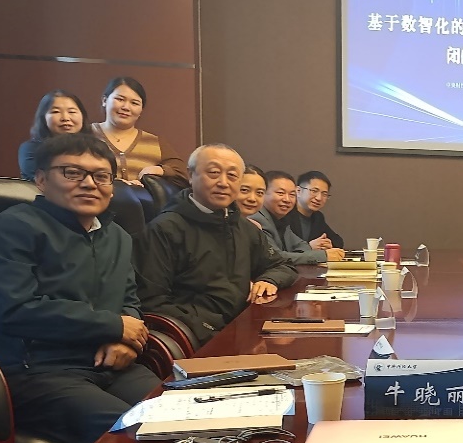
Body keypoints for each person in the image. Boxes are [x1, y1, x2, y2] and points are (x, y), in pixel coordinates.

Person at [0, 133, 159, 443]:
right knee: (137, 436)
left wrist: (125, 340)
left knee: (184, 415)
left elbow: (130, 301)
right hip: (41, 371)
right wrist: (113, 326)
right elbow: (14, 310)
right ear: (41, 179)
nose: (89, 184)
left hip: (112, 365)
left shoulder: (118, 236)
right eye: (72, 173)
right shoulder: (13, 227)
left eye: (101, 176)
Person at [134, 144, 297, 347]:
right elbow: (151, 302)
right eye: (213, 173)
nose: (223, 183)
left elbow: (284, 266)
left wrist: (269, 280)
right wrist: (215, 331)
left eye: (232, 176)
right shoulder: (164, 229)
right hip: (200, 338)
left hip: (243, 331)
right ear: (191, 175)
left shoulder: (243, 226)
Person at [90, 76, 188, 187]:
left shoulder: (154, 142)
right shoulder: (86, 133)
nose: (126, 107)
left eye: (134, 103)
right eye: (120, 99)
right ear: (104, 100)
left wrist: (159, 170)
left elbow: (182, 173)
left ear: (141, 110)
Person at [251, 171, 345, 264]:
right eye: (280, 193)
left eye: (292, 195)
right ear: (263, 193)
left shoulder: (282, 219)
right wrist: (323, 255)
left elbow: (300, 245)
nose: (287, 199)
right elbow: (275, 257)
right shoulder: (257, 219)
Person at [17, 90, 90, 180]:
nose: (65, 118)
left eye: (72, 112)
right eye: (55, 112)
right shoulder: (31, 149)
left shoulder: (94, 148)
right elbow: (44, 180)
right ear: (43, 118)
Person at [293, 170, 344, 250]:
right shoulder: (285, 214)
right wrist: (309, 247)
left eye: (324, 194)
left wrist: (328, 244)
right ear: (298, 191)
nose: (319, 198)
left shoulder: (317, 217)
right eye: (314, 191)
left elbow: (338, 242)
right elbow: (281, 250)